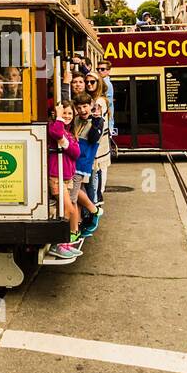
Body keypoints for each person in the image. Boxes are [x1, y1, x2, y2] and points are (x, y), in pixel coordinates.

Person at [47, 104, 82, 264]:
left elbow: (76, 153)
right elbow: (55, 132)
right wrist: (59, 117)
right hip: (56, 176)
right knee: (67, 208)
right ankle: (57, 244)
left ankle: (65, 243)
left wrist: (65, 143)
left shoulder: (68, 132)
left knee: (70, 208)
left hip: (67, 176)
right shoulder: (55, 126)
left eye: (69, 113)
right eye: (64, 113)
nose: (67, 116)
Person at [70, 93, 104, 238]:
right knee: (76, 195)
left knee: (72, 195)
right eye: (79, 108)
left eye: (85, 106)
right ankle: (78, 224)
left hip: (82, 163)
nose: (82, 110)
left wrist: (96, 120)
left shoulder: (98, 121)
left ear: (91, 105)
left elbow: (93, 138)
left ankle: (92, 212)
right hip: (71, 161)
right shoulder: (76, 119)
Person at [92, 95, 112, 205]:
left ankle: (96, 204)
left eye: (92, 82)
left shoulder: (100, 101)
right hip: (97, 151)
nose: (89, 84)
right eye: (87, 82)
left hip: (98, 151)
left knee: (98, 175)